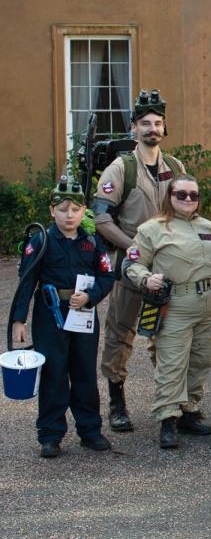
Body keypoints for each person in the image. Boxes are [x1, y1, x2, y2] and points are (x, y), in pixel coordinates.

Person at [93, 89, 185, 433]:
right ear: (134, 128)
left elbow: (186, 208)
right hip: (131, 266)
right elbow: (101, 218)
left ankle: (174, 406)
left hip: (168, 265)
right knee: (121, 333)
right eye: (145, 123)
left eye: (157, 123)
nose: (152, 129)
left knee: (168, 334)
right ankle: (117, 403)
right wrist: (135, 248)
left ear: (164, 127)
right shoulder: (121, 168)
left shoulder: (175, 167)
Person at [124, 175, 211, 449]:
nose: (188, 200)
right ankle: (167, 418)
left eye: (193, 195)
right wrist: (145, 278)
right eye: (181, 194)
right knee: (172, 363)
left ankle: (189, 409)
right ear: (169, 197)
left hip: (208, 302)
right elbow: (132, 263)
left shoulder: (208, 226)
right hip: (174, 305)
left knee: (201, 360)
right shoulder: (152, 229)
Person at [10, 178, 117, 457]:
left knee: (84, 373)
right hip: (50, 315)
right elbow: (27, 281)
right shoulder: (41, 241)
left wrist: (91, 296)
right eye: (62, 209)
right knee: (53, 373)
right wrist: (18, 321)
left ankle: (90, 430)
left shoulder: (92, 242)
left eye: (75, 210)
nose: (69, 215)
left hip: (83, 314)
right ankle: (50, 434)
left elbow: (107, 276)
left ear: (84, 212)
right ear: (51, 211)